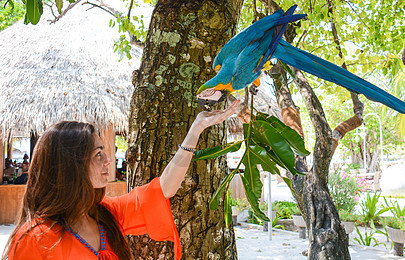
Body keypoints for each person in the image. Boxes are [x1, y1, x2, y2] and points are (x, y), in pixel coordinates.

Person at [2, 100, 240, 260]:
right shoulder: (34, 239)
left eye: (105, 151)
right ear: (70, 166)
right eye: (98, 154)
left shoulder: (106, 214)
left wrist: (196, 130)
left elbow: (164, 187)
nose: (109, 160)